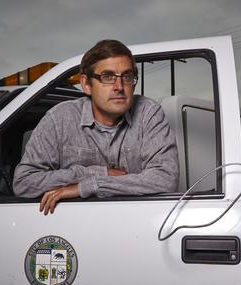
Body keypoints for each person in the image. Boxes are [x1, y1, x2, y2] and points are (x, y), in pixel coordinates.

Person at [13, 39, 179, 214]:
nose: (119, 87)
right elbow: (24, 182)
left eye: (127, 77)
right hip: (79, 226)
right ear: (86, 84)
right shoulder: (59, 119)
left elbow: (165, 178)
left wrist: (89, 185)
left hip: (138, 224)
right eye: (107, 77)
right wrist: (96, 172)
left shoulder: (148, 113)